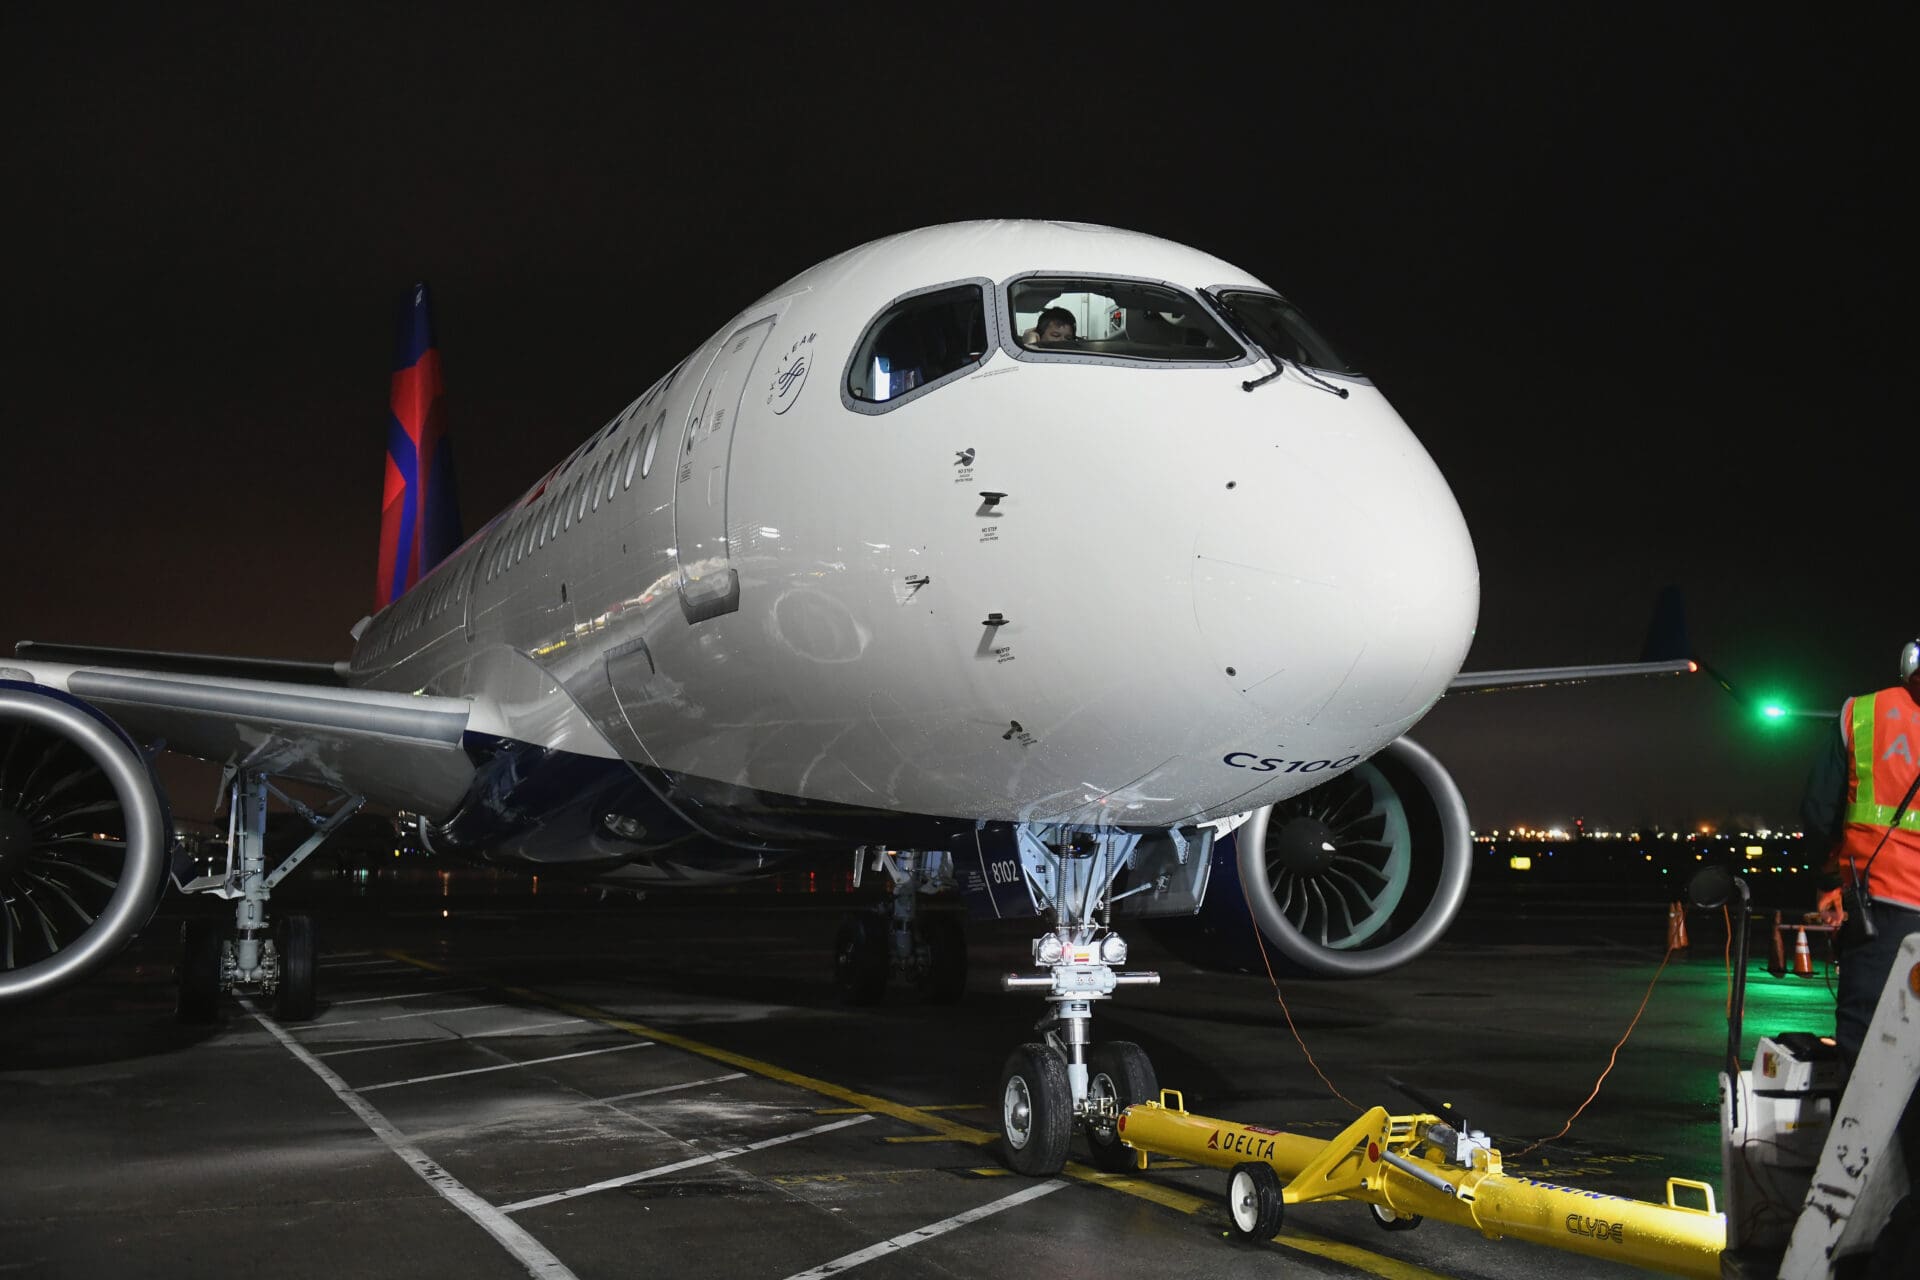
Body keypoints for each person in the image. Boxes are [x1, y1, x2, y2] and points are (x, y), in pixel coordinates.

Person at [1804, 638, 1920, 1070]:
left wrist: (1827, 883)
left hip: (1880, 911)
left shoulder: (1863, 713)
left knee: (1866, 1052)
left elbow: (1818, 812)